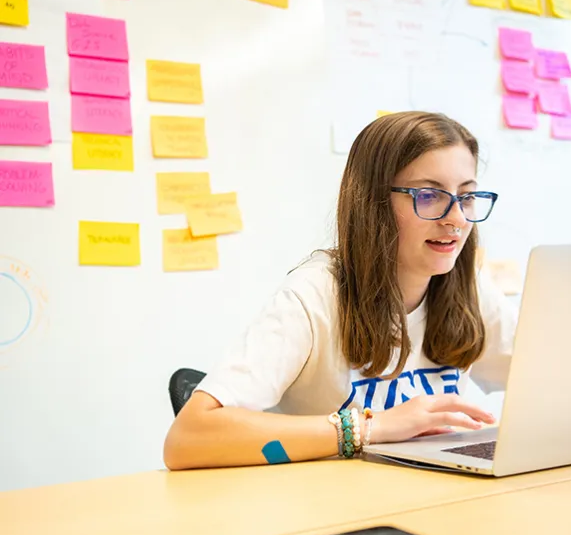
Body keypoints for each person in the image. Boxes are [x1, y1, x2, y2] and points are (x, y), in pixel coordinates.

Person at [164, 111, 517, 470]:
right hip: (334, 511)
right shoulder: (314, 295)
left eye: (467, 197)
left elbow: (551, 383)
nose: (456, 219)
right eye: (428, 195)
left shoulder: (469, 287)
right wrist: (370, 428)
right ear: (375, 203)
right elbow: (188, 438)